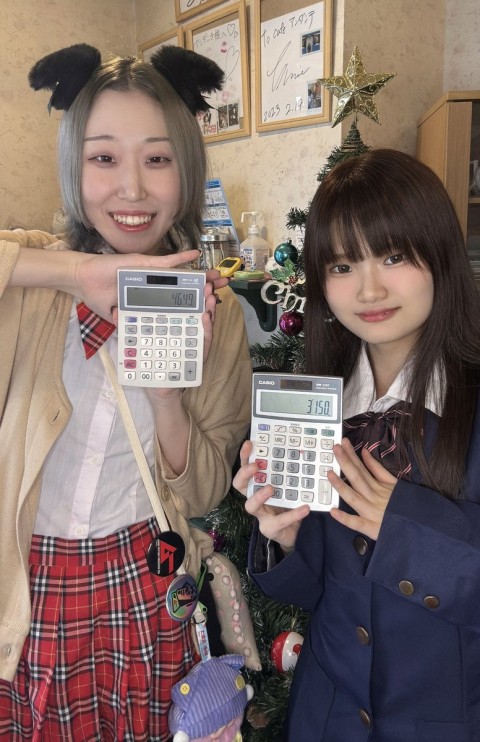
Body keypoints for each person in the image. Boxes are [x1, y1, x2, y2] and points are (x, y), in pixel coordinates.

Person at [0, 43, 252, 741]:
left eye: (158, 158)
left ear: (186, 167)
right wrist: (74, 274)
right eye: (104, 157)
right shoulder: (35, 275)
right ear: (73, 165)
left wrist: (168, 398)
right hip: (26, 581)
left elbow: (204, 492)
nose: (132, 189)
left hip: (145, 582)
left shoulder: (218, 310)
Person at [233, 149, 480, 741]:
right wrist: (286, 538)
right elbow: (323, 594)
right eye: (343, 265)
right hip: (326, 720)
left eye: (393, 256)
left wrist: (409, 531)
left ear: (440, 254)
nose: (369, 289)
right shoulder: (317, 407)